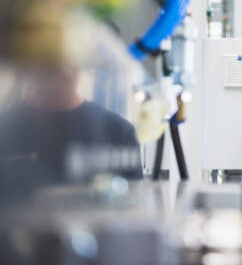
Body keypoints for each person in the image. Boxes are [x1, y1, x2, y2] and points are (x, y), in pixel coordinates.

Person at [0, 63, 142, 203]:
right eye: (45, 57)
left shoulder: (119, 132)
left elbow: (134, 212)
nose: (55, 67)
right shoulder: (5, 129)